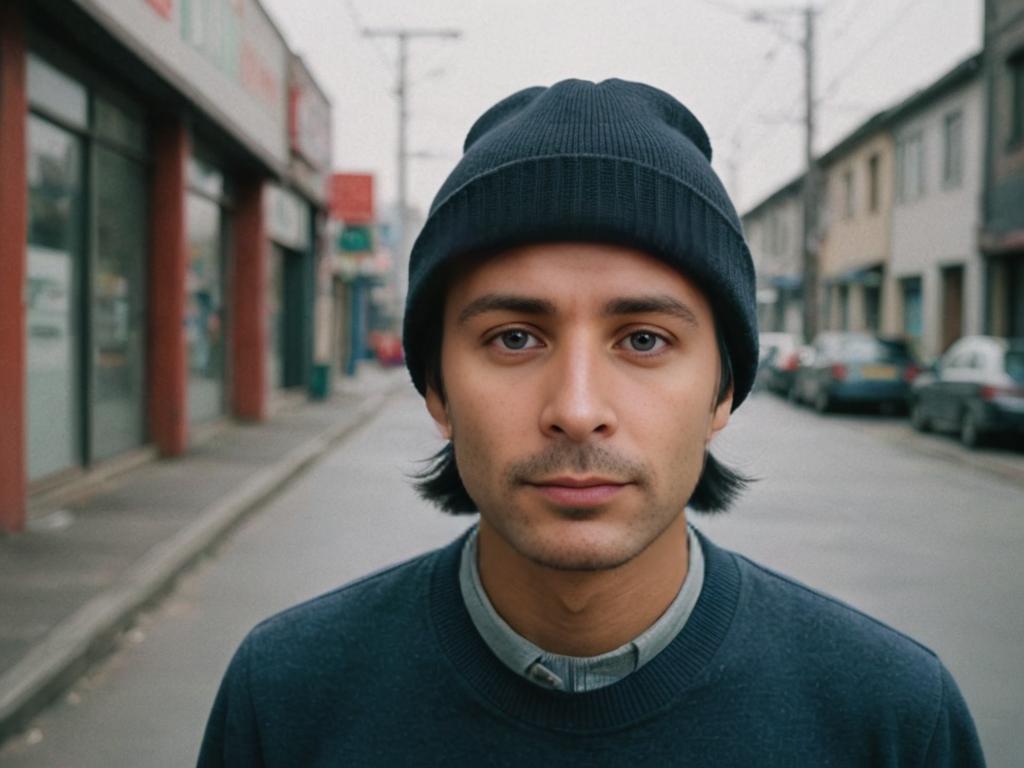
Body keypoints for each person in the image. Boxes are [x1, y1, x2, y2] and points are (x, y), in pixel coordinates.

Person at [197, 79, 984, 767]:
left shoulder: (891, 719)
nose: (576, 409)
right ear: (436, 386)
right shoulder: (288, 697)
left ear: (723, 391)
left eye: (644, 340)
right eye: (514, 337)